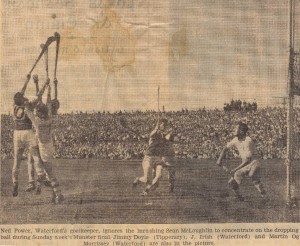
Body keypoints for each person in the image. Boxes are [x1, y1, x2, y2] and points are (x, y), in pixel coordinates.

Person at [24, 81, 64, 204]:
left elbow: (27, 110)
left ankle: (58, 194)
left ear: (40, 113)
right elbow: (48, 104)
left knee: (49, 173)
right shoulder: (50, 117)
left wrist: (25, 103)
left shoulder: (38, 121)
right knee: (43, 168)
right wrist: (49, 90)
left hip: (44, 147)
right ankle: (47, 186)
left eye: (38, 111)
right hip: (49, 145)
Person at [12, 74, 45, 197]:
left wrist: (26, 79)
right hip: (27, 131)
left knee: (16, 160)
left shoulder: (15, 105)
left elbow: (21, 92)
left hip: (16, 133)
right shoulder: (28, 105)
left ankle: (15, 183)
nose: (25, 96)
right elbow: (38, 96)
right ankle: (40, 174)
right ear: (22, 99)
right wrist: (42, 84)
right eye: (23, 97)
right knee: (35, 156)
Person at [216, 122, 266, 201]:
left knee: (251, 175)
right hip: (246, 163)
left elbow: (247, 160)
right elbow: (225, 148)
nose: (234, 130)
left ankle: (264, 196)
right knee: (232, 182)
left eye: (236, 128)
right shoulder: (235, 140)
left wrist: (234, 170)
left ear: (241, 131)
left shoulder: (248, 141)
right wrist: (219, 159)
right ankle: (240, 197)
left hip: (254, 162)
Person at [132, 118, 167, 195]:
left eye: (165, 125)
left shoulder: (163, 135)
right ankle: (138, 180)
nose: (164, 126)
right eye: (163, 125)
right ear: (159, 125)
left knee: (159, 176)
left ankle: (146, 191)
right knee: (147, 179)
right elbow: (152, 133)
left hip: (158, 159)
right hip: (149, 158)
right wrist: (156, 128)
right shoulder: (154, 133)